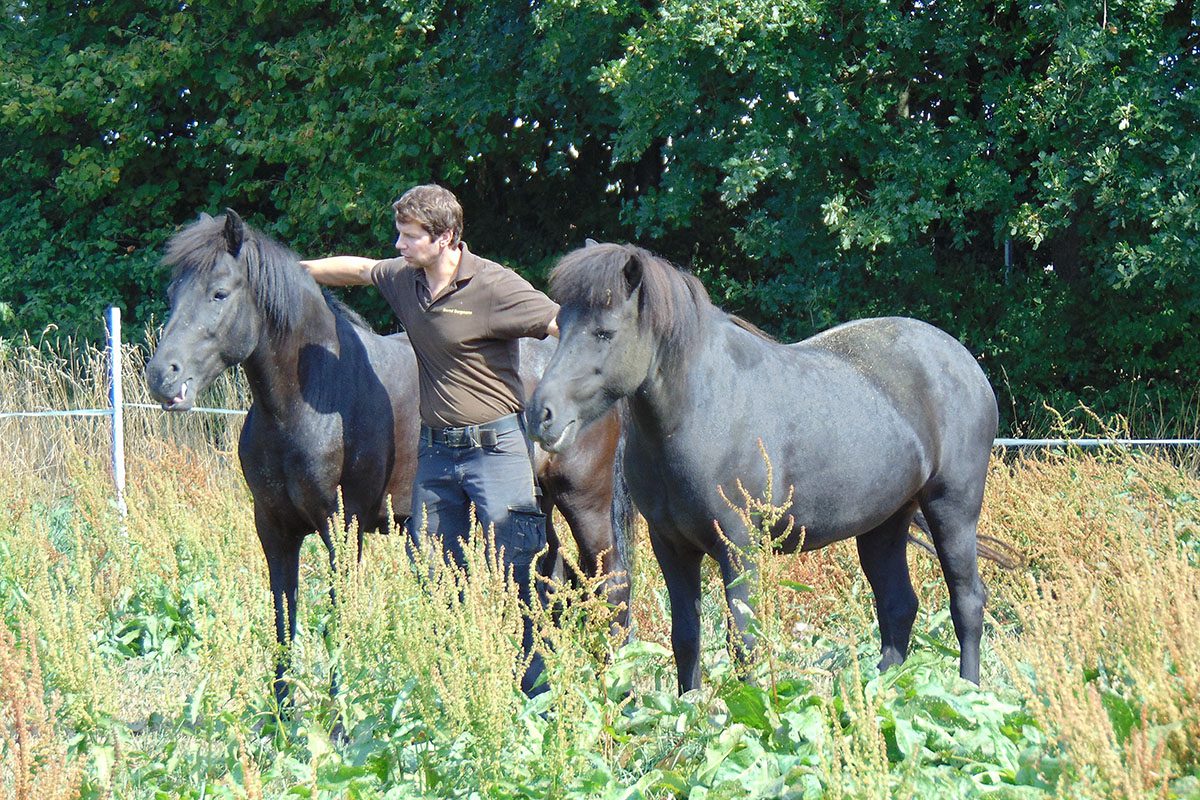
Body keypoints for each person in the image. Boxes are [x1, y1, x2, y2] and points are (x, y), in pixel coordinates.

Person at [300, 184, 558, 695]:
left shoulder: (496, 286)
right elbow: (356, 269)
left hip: (498, 450)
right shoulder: (406, 279)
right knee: (435, 573)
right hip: (436, 454)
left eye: (409, 236)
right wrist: (289, 269)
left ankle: (538, 703)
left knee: (516, 574)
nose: (398, 245)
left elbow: (560, 324)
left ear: (446, 238)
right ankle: (462, 691)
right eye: (399, 234)